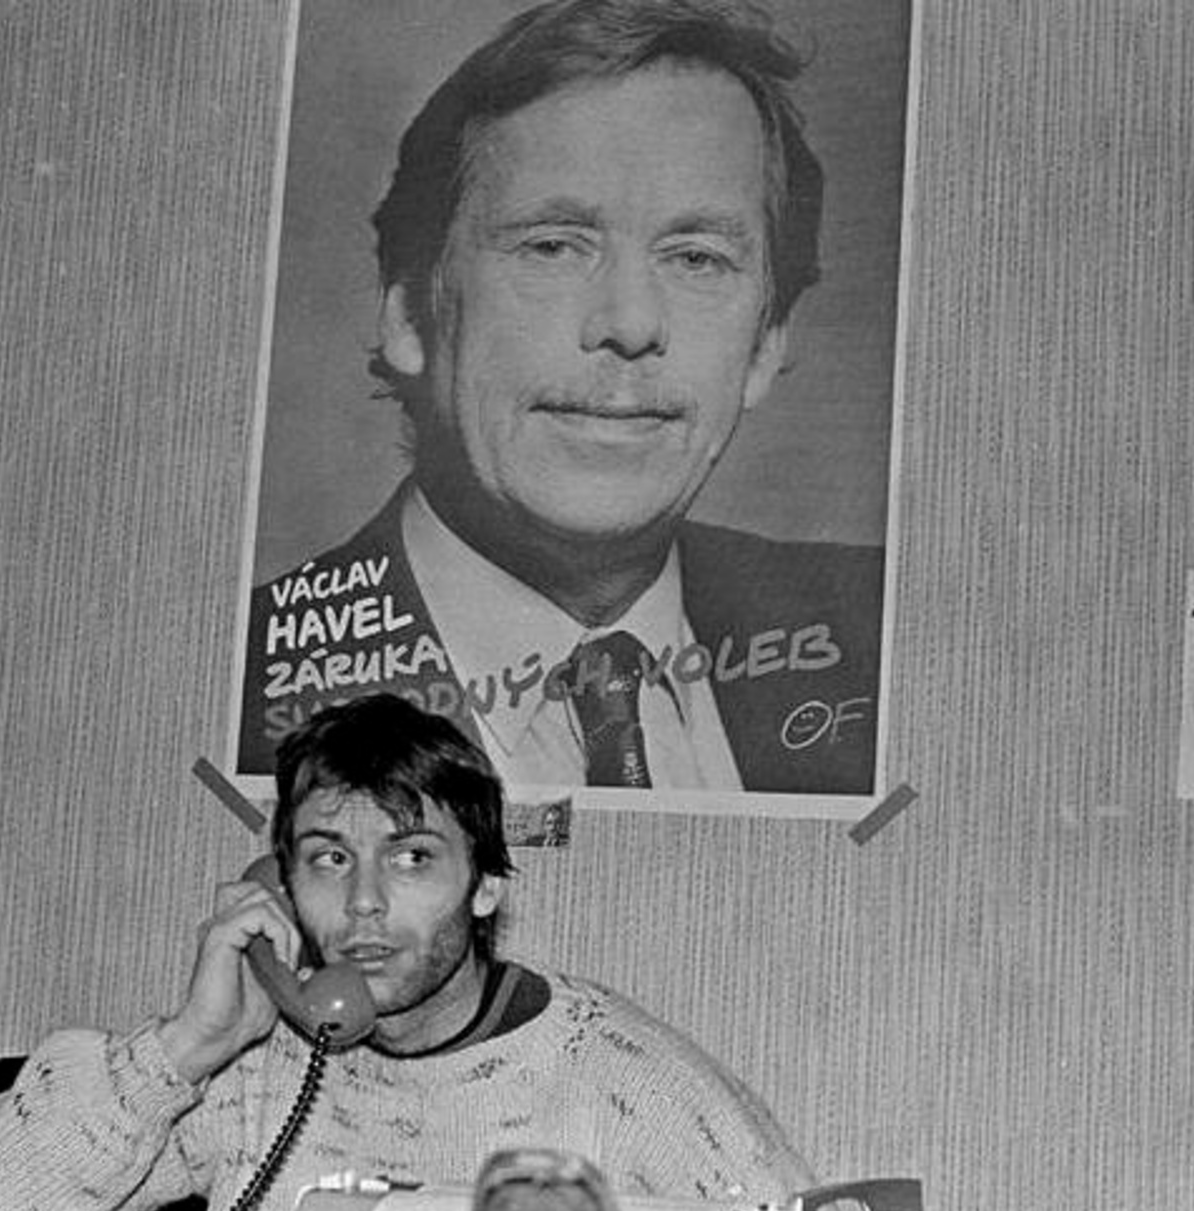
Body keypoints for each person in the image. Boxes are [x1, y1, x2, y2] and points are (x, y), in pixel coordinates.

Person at [0, 694, 817, 1211]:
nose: (365, 901)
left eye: (411, 857)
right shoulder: (253, 1067)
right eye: (329, 859)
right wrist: (187, 1045)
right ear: (280, 887)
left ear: (485, 885)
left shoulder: (623, 1079)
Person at [239, 0, 884, 797]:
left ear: (766, 343)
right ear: (409, 315)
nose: (631, 324)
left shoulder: (884, 633)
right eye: (552, 246)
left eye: (697, 258)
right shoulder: (236, 688)